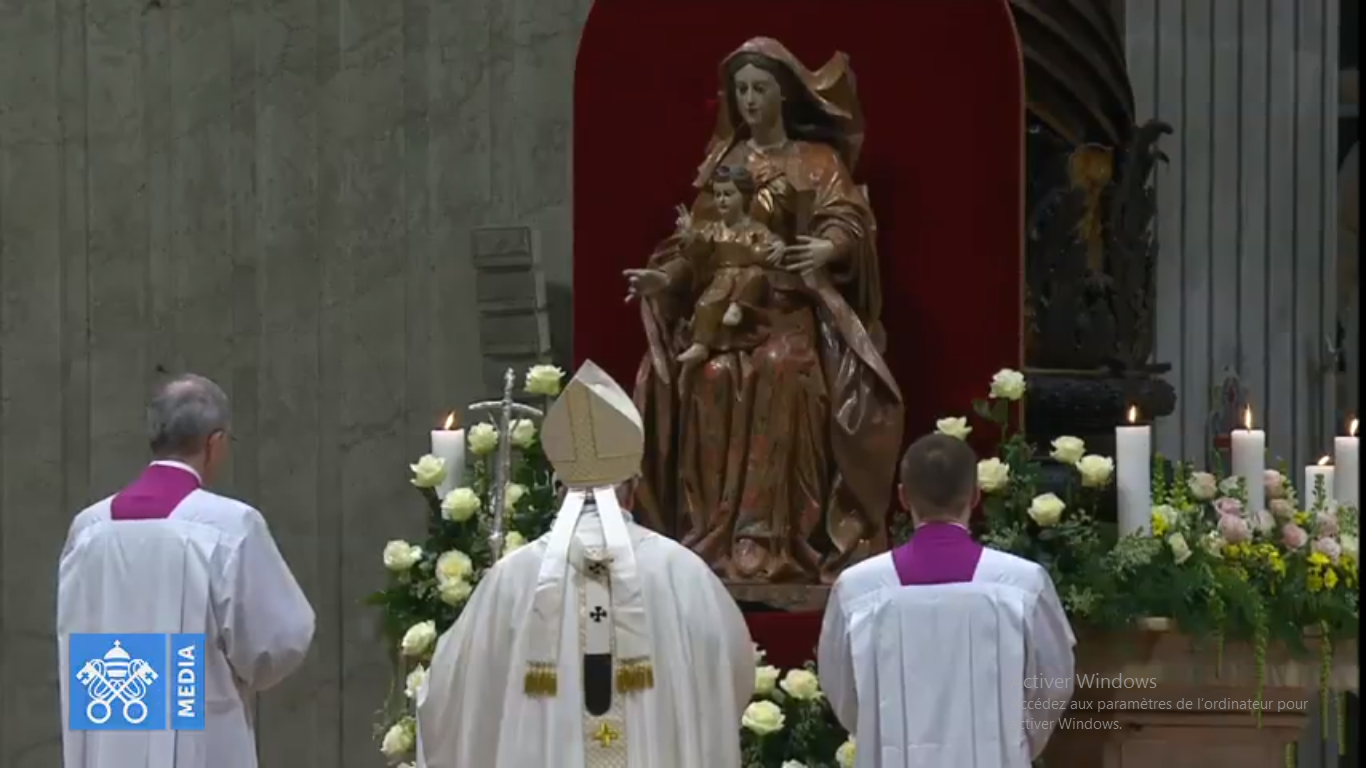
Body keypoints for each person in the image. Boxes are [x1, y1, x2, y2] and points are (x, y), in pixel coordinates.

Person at [624, 37, 904, 584]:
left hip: (793, 311)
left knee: (781, 371)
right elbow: (698, 247)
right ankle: (713, 532)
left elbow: (849, 221)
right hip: (726, 319)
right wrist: (667, 278)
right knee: (709, 376)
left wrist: (827, 248)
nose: (750, 100)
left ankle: (771, 536)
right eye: (741, 90)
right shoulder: (724, 165)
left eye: (760, 88)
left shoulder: (817, 161)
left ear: (784, 95)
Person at [416, 360, 755, 768]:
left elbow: (448, 698)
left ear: (559, 490)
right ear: (633, 489)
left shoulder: (512, 579)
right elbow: (731, 675)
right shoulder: (684, 574)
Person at [57, 373, 315, 768]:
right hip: (198, 737)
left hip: (109, 726)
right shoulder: (229, 526)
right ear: (215, 443)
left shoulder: (89, 528)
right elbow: (275, 644)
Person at [816, 433, 1076, 767]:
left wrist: (879, 735)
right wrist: (1013, 742)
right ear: (976, 496)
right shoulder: (1023, 585)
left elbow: (842, 691)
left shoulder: (857, 591)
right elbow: (1054, 682)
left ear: (903, 497)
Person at [674, 164, 785, 365]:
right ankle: (700, 345)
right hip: (722, 281)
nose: (722, 200)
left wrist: (779, 245)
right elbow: (698, 250)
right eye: (718, 195)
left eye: (728, 194)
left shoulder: (756, 229)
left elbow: (771, 242)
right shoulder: (714, 229)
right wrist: (689, 235)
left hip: (748, 279)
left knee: (755, 275)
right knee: (704, 305)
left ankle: (737, 307)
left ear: (744, 196)